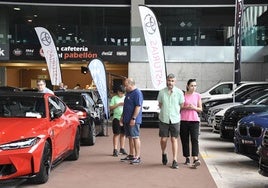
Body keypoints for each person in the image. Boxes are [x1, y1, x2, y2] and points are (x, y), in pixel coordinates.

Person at [157, 73, 184, 169]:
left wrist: (175, 112)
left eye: (172, 81)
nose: (170, 82)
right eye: (169, 80)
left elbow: (181, 105)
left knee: (174, 139)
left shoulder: (179, 92)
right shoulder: (161, 92)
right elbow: (160, 104)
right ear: (166, 81)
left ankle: (175, 160)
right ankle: (164, 153)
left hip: (175, 119)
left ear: (175, 82)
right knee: (163, 139)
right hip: (164, 118)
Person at [180, 79, 202, 168]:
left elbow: (200, 109)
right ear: (188, 86)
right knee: (184, 139)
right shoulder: (183, 95)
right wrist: (186, 107)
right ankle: (187, 157)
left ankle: (195, 158)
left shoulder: (198, 95)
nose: (193, 88)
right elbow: (180, 107)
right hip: (183, 120)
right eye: (192, 86)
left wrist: (194, 107)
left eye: (195, 86)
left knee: (194, 139)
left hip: (194, 120)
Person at [120, 78, 143, 164]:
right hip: (127, 119)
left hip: (133, 120)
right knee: (130, 137)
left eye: (126, 85)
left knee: (135, 137)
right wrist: (122, 117)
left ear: (130, 84)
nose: (125, 88)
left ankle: (137, 156)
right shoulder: (128, 93)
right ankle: (131, 154)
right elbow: (126, 106)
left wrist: (133, 118)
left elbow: (138, 106)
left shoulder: (137, 93)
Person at [109, 85, 128, 157]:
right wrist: (119, 104)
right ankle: (115, 149)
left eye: (123, 93)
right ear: (118, 92)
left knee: (123, 134)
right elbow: (110, 107)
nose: (122, 95)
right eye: (121, 93)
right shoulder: (114, 98)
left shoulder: (125, 98)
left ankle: (122, 148)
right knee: (116, 133)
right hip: (116, 118)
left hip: (124, 118)